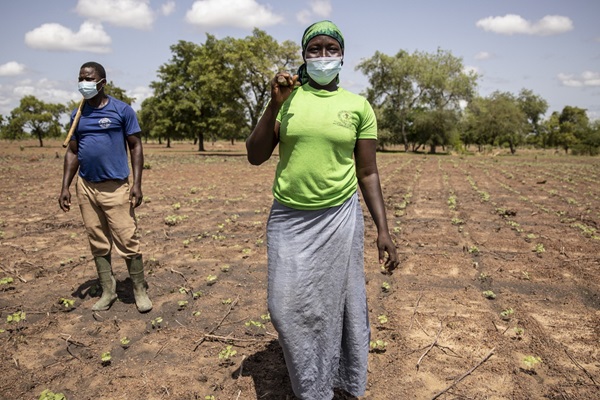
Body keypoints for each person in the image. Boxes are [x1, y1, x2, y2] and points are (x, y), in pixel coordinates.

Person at [246, 20, 399, 399]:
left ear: (342, 56)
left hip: (339, 217)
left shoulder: (358, 107)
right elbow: (255, 155)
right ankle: (310, 380)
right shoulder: (287, 100)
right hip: (288, 217)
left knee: (337, 305)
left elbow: (368, 172)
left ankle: (327, 383)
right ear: (304, 56)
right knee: (283, 306)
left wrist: (384, 230)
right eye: (315, 49)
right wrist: (273, 104)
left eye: (332, 49)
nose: (324, 56)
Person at [58, 61, 152, 313]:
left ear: (102, 83)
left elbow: (136, 146)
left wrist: (137, 184)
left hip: (116, 187)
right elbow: (73, 152)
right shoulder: (77, 115)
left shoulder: (122, 110)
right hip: (86, 187)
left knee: (127, 238)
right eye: (81, 78)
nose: (84, 83)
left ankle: (139, 289)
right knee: (97, 240)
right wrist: (65, 186)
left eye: (89, 79)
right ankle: (108, 290)